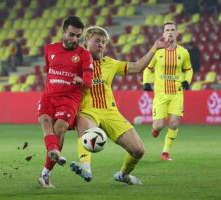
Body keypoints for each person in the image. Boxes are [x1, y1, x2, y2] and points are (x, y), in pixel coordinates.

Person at [70, 26, 171, 185]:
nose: (101, 45)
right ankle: (85, 166)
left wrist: (155, 48)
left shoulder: (110, 63)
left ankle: (123, 175)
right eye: (97, 41)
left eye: (103, 42)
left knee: (138, 150)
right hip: (88, 110)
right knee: (87, 132)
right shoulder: (75, 61)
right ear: (86, 41)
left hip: (110, 112)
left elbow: (137, 67)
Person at [38, 16, 93, 188]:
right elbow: (50, 71)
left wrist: (80, 81)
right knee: (45, 121)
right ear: (63, 32)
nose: (75, 39)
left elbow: (88, 82)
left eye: (78, 36)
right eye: (71, 35)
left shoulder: (84, 54)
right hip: (49, 95)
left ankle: (46, 171)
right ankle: (52, 156)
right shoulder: (50, 49)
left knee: (60, 128)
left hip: (69, 98)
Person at [142, 21, 193, 161]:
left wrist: (187, 80)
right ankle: (155, 129)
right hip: (160, 94)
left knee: (174, 123)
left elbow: (189, 69)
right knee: (158, 125)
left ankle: (165, 152)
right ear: (163, 34)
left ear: (177, 33)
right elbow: (148, 68)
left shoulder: (183, 52)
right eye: (167, 30)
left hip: (177, 93)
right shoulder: (158, 51)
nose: (170, 32)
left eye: (172, 30)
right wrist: (146, 81)